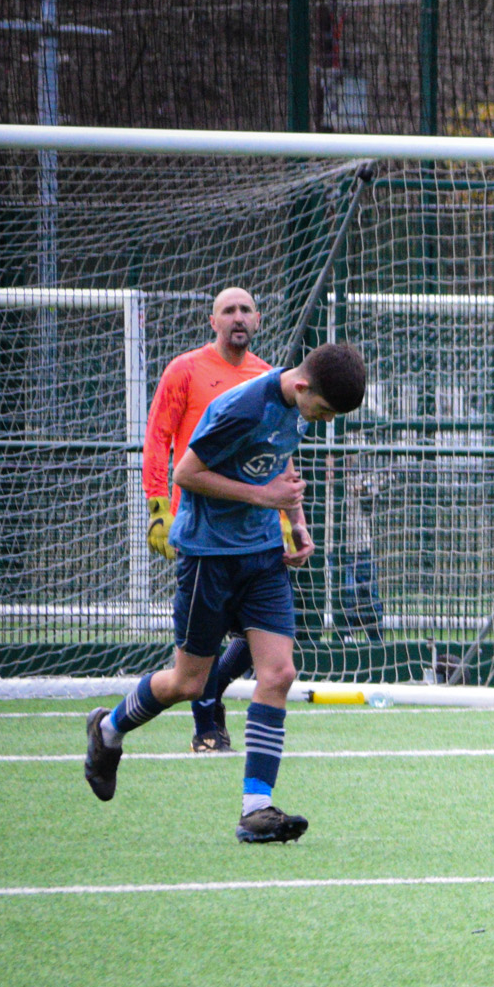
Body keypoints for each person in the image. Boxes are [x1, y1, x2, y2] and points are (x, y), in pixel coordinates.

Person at [82, 342, 369, 842]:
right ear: (302, 386)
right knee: (189, 683)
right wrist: (265, 498)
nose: (321, 421)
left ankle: (256, 810)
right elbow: (186, 473)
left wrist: (295, 521)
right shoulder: (243, 406)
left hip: (261, 556)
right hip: (209, 556)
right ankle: (108, 730)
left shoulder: (295, 406)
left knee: (278, 673)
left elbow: (278, 461)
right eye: (321, 411)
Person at [141, 287, 274, 753]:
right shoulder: (185, 370)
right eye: (228, 311)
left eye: (245, 310)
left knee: (266, 636)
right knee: (207, 634)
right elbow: (158, 439)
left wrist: (283, 517)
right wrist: (158, 508)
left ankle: (211, 691)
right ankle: (206, 729)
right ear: (211, 321)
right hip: (198, 526)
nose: (237, 318)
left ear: (258, 320)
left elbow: (275, 455)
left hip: (255, 528)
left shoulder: (267, 377)